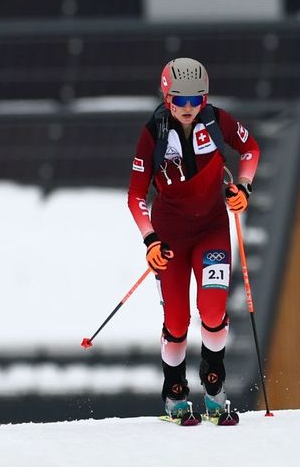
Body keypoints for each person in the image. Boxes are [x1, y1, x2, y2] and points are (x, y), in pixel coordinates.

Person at [126, 58, 260, 424]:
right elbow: (136, 196)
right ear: (167, 98)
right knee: (177, 320)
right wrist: (150, 240)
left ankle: (215, 389)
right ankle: (175, 393)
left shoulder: (218, 120)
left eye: (196, 101)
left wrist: (244, 188)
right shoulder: (153, 132)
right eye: (180, 101)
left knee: (214, 310)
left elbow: (251, 150)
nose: (188, 109)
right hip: (169, 233)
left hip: (212, 226)